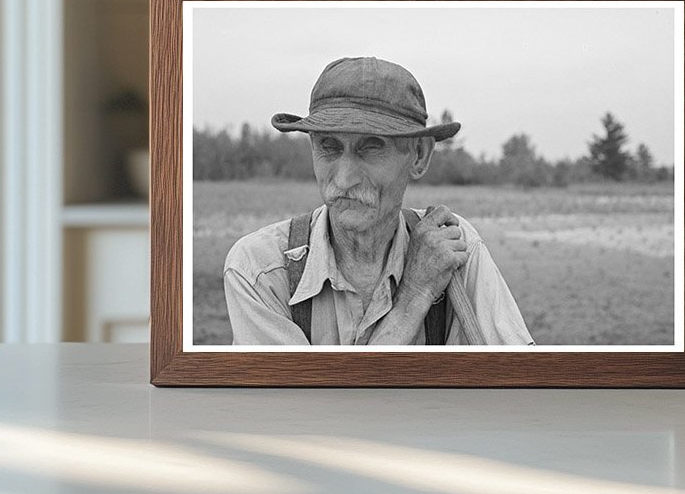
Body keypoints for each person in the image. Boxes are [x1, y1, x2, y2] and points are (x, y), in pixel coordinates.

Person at [223, 56, 534, 346]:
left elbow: (519, 383)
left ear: (420, 156)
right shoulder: (260, 269)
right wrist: (415, 296)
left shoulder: (453, 247)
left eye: (370, 147)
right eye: (328, 147)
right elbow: (308, 406)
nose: (344, 179)